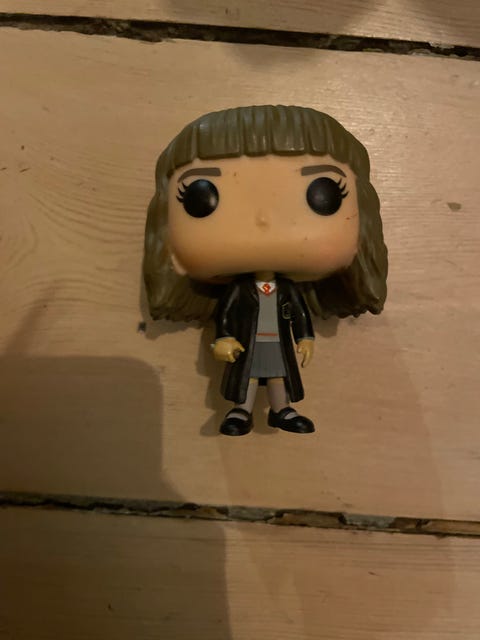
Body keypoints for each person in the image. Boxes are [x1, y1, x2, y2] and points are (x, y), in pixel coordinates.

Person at [144, 105, 388, 436]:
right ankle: (241, 410)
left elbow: (299, 314)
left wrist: (306, 338)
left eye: (323, 193)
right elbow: (227, 315)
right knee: (246, 376)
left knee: (278, 374)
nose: (263, 219)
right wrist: (223, 338)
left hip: (277, 342)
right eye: (201, 197)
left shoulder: (286, 290)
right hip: (248, 341)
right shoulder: (238, 291)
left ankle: (281, 409)